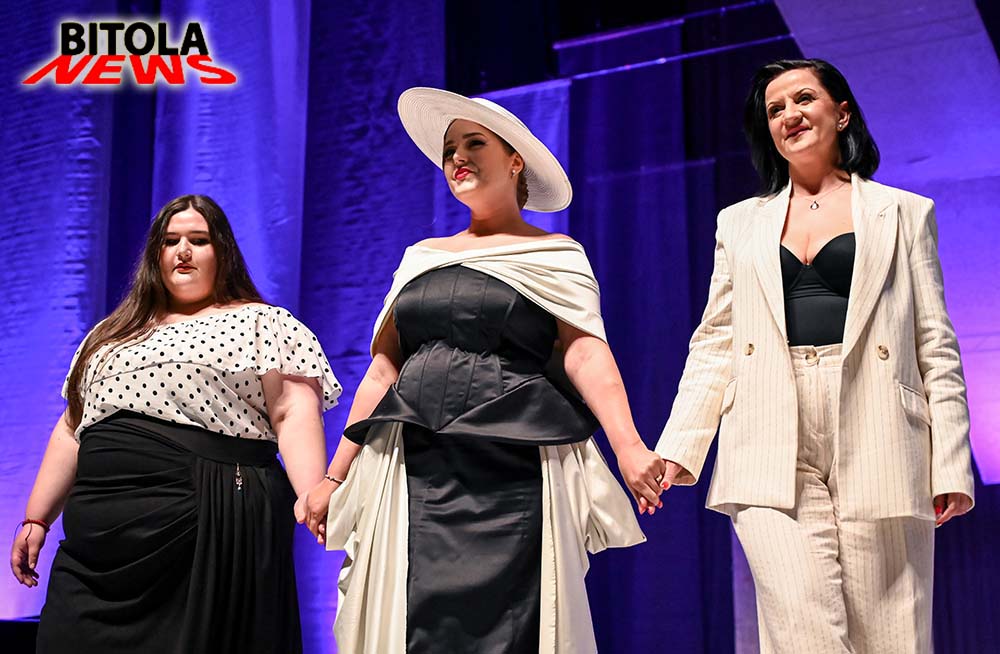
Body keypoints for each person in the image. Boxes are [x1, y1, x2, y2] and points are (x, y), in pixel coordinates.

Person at [303, 88, 664, 654]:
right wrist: (333, 477)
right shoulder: (421, 256)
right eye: (450, 149)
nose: (458, 157)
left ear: (515, 161)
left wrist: (630, 447)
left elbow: (586, 354)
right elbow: (383, 371)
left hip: (513, 467)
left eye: (474, 143)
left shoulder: (557, 254)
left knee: (514, 624)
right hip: (415, 461)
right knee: (413, 620)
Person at [655, 58, 975, 653]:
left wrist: (950, 462)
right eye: (775, 109)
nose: (789, 115)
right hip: (765, 423)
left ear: (841, 113)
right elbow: (717, 339)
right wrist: (680, 445)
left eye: (803, 99)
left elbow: (935, 343)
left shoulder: (905, 212)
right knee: (801, 629)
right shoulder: (738, 223)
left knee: (890, 632)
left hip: (880, 423)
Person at [9, 194, 341, 653]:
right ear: (155, 255)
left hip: (202, 523)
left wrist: (312, 497)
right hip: (97, 548)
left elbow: (292, 411)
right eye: (170, 241)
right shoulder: (108, 336)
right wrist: (37, 519)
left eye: (198, 240)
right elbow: (72, 428)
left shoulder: (263, 323)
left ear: (223, 252)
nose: (183, 251)